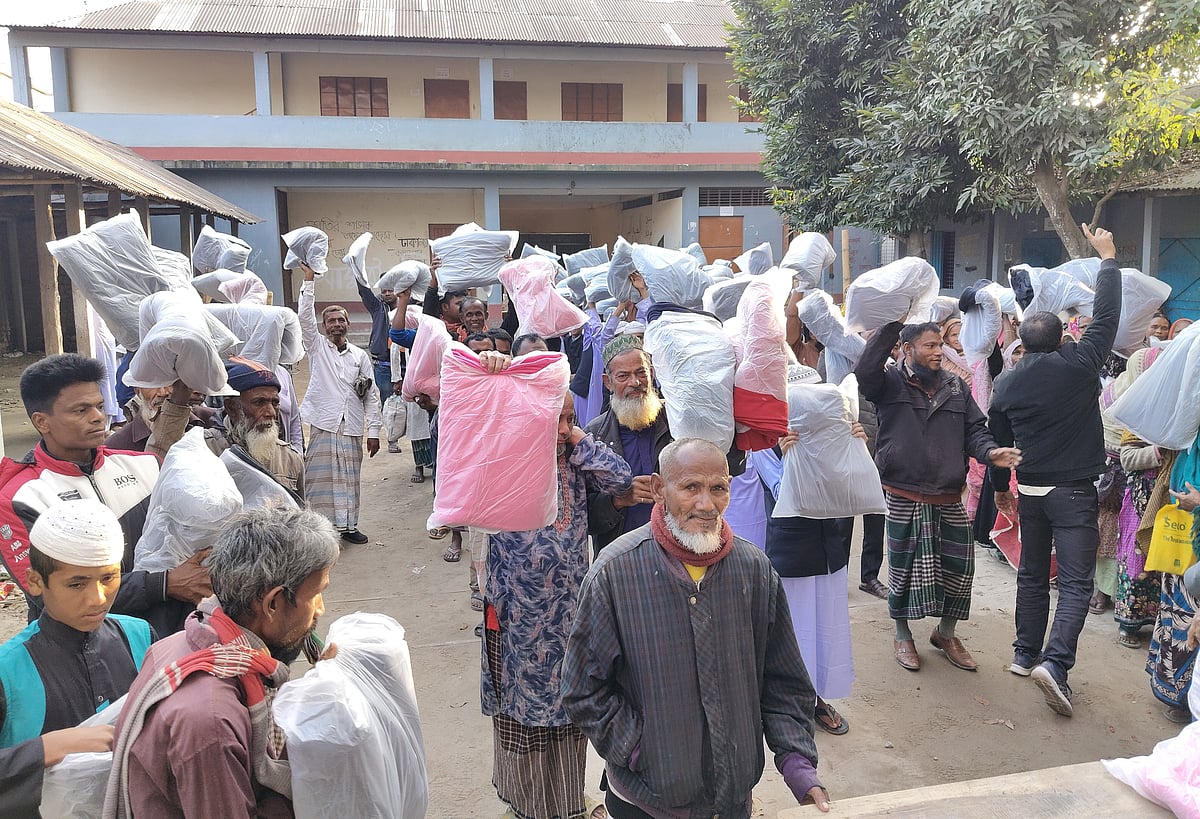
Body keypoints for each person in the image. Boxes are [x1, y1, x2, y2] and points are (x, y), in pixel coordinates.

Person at [562, 438, 829, 817]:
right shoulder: (615, 572)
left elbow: (783, 680)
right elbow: (581, 689)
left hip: (732, 799)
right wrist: (639, 748)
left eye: (717, 488)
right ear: (658, 489)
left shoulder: (753, 569)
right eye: (690, 488)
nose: (706, 504)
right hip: (646, 801)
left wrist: (799, 768)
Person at [105, 506, 339, 818]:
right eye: (316, 595)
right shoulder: (212, 723)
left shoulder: (181, 641)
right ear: (272, 603)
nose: (319, 610)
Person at [989, 223, 1122, 717]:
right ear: (1066, 334)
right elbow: (1107, 314)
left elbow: (1000, 444)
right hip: (1073, 493)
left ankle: (1025, 656)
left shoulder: (1007, 384)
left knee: (1030, 573)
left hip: (1032, 490)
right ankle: (1056, 664)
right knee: (1075, 583)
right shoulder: (1083, 361)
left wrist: (1003, 489)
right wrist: (1107, 258)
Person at [483, 387, 632, 819]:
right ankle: (526, 805)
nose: (564, 429)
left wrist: (579, 441)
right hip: (515, 615)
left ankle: (566, 807)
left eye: (571, 419)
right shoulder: (506, 457)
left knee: (569, 708)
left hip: (567, 614)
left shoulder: (574, 458)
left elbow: (621, 479)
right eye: (557, 421)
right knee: (520, 712)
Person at [0, 354, 210, 636]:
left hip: (165, 636)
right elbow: (53, 596)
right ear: (42, 422)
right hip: (79, 653)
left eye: (99, 406)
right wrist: (164, 584)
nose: (98, 417)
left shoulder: (145, 466)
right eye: (80, 410)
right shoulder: (19, 497)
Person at [856, 321, 1019, 673]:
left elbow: (975, 430)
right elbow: (864, 371)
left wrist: (990, 454)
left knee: (960, 570)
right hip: (903, 492)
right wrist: (890, 326)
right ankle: (902, 634)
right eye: (928, 346)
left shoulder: (955, 386)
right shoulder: (888, 381)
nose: (936, 352)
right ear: (907, 348)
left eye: (938, 345)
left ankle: (945, 634)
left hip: (947, 495)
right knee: (903, 570)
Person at [0, 500, 154, 819]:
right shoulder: (7, 670)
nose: (97, 598)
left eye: (108, 578)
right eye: (77, 583)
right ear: (35, 582)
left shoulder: (141, 636)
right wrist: (46, 749)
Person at [299, 264, 382, 544]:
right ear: (324, 327)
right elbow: (304, 319)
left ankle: (348, 527)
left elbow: (371, 395)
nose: (336, 324)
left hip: (352, 428)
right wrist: (309, 280)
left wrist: (373, 433)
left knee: (349, 479)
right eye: (330, 321)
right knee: (320, 481)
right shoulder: (317, 348)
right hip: (324, 424)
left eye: (340, 320)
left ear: (348, 324)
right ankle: (323, 531)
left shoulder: (360, 356)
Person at [583, 336, 670, 553]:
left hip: (676, 549)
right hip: (620, 557)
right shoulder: (594, 437)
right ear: (608, 382)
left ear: (652, 373)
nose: (635, 382)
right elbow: (584, 516)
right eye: (623, 376)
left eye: (641, 372)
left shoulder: (677, 422)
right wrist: (618, 500)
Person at [105, 386, 215, 453]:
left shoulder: (211, 421)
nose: (163, 393)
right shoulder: (116, 448)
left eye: (170, 383)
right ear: (138, 391)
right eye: (153, 384)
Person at [354, 257, 400, 405]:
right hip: (383, 364)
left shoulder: (409, 307)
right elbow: (364, 291)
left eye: (390, 290)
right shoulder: (377, 306)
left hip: (404, 363)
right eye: (383, 290)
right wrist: (357, 268)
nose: (387, 293)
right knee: (388, 402)